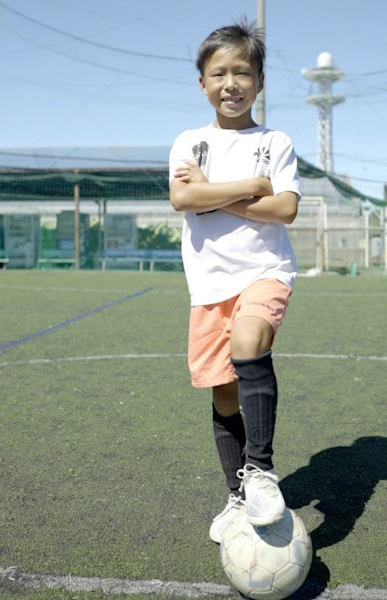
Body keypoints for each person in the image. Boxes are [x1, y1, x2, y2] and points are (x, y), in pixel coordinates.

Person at [168, 19, 301, 543]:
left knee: (250, 341)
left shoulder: (277, 141)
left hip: (264, 273)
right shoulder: (189, 142)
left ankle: (262, 472)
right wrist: (248, 188)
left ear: (260, 81)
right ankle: (237, 493)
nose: (231, 83)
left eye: (242, 72)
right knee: (224, 395)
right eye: (218, 73)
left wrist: (213, 192)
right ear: (202, 83)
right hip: (208, 286)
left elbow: (285, 208)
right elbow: (184, 199)